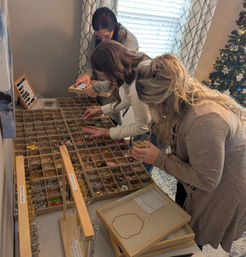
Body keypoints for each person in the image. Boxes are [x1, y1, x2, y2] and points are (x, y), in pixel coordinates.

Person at [131, 53, 246, 252]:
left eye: (151, 105)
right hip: (208, 173)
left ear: (162, 101)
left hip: (225, 185)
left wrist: (160, 159)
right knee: (183, 215)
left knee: (192, 238)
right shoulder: (184, 100)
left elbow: (207, 181)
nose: (150, 109)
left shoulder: (204, 120)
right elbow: (178, 131)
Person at [81, 40, 153, 172]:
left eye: (104, 75)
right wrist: (101, 110)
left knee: (142, 161)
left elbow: (142, 127)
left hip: (164, 123)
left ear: (112, 70)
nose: (106, 79)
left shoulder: (136, 84)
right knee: (134, 147)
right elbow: (127, 100)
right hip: (153, 120)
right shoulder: (132, 64)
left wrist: (108, 132)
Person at [75, 7, 138, 125]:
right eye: (99, 37)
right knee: (95, 119)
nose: (102, 41)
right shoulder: (99, 33)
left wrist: (97, 88)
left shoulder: (128, 42)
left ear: (114, 28)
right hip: (98, 89)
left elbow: (122, 78)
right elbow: (91, 58)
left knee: (111, 122)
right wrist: (87, 74)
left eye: (106, 37)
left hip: (115, 93)